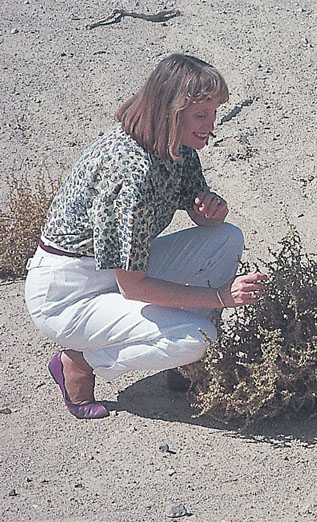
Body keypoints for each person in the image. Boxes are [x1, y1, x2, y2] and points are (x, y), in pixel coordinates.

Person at [25, 54, 267, 419]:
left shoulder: (175, 145)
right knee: (197, 338)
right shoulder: (129, 172)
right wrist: (219, 296)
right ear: (173, 110)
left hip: (114, 269)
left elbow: (198, 212)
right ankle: (79, 359)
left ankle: (180, 363)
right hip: (67, 293)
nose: (211, 125)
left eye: (214, 113)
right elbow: (133, 286)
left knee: (226, 238)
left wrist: (210, 213)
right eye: (202, 115)